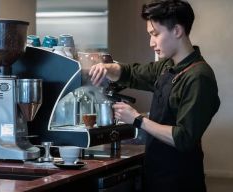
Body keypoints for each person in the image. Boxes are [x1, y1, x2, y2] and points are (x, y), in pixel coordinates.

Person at [89, 0, 220, 191]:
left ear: (176, 30)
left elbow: (183, 138)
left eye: (155, 34)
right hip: (156, 174)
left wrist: (137, 120)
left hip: (181, 180)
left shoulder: (199, 77)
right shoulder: (167, 66)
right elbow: (131, 73)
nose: (151, 43)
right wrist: (106, 68)